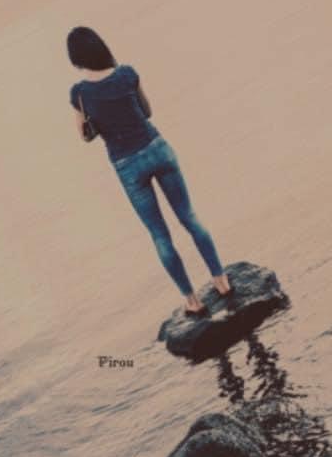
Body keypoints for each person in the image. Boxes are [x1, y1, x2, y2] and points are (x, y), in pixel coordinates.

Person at [67, 26, 233, 317]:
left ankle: (192, 301)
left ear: (75, 57)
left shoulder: (79, 93)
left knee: (160, 236)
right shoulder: (127, 74)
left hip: (127, 166)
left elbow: (84, 136)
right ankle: (221, 281)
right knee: (189, 218)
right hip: (157, 149)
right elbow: (146, 111)